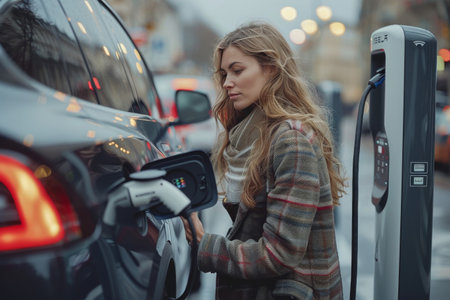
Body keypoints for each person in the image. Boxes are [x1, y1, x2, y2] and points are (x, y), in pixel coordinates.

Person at [182, 22, 346, 300]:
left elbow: (279, 254)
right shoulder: (252, 134)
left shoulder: (290, 140)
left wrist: (204, 245)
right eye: (224, 73)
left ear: (270, 68)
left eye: (237, 70)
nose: (226, 83)